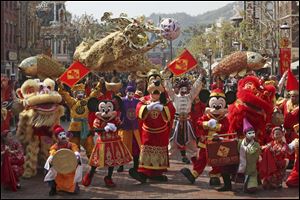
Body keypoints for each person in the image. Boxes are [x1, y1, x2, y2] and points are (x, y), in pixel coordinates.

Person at [129, 69, 176, 183]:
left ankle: (156, 174)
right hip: (148, 131)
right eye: (152, 81)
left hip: (161, 131)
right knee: (146, 152)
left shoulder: (166, 101)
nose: (155, 84)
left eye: (157, 81)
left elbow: (172, 110)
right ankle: (144, 173)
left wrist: (163, 108)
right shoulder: (144, 100)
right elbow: (138, 109)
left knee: (159, 152)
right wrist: (147, 108)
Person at [58, 81, 102, 158]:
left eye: (81, 92)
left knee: (90, 145)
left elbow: (94, 94)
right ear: (74, 94)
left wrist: (100, 84)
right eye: (77, 92)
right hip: (74, 128)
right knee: (73, 147)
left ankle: (93, 164)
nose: (80, 94)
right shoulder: (72, 102)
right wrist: (59, 85)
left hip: (85, 127)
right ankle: (73, 163)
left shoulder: (87, 101)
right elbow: (64, 94)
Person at [165, 73, 203, 164]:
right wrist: (166, 78)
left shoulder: (189, 97)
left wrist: (200, 76)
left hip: (187, 121)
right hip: (177, 121)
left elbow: (195, 88)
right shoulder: (174, 97)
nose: (183, 91)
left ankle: (195, 159)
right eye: (182, 89)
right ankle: (165, 159)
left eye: (185, 89)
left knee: (191, 141)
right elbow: (168, 89)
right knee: (172, 141)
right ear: (178, 89)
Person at [44, 125, 82, 196]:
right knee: (48, 168)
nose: (63, 136)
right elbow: (52, 151)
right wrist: (52, 156)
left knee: (74, 189)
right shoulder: (55, 146)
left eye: (64, 134)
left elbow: (75, 149)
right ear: (57, 137)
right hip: (59, 167)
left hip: (70, 167)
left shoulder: (70, 144)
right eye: (60, 135)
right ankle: (53, 187)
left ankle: (74, 186)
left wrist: (76, 154)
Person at [117, 86, 141, 172]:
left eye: (132, 93)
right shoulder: (122, 101)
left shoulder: (137, 101)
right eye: (129, 93)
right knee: (123, 146)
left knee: (135, 147)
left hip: (134, 127)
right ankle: (121, 165)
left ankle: (136, 165)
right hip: (125, 126)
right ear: (126, 92)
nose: (131, 94)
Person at [237, 118, 261, 193]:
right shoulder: (240, 142)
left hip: (251, 170)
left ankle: (252, 183)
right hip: (242, 167)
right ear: (245, 134)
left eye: (253, 133)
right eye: (249, 133)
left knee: (252, 189)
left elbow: (251, 152)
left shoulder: (256, 144)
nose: (252, 135)